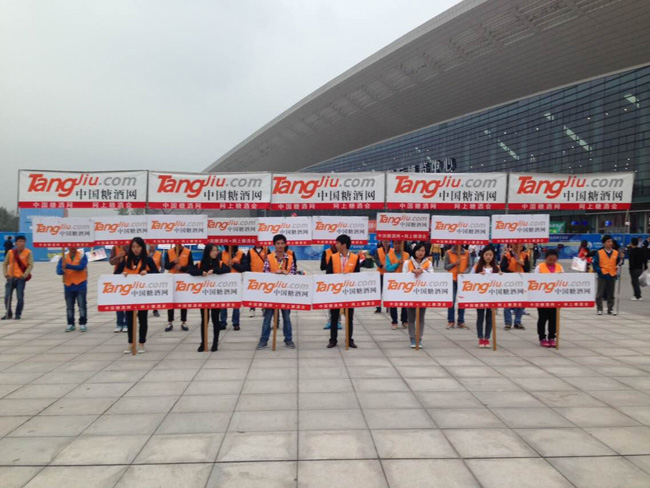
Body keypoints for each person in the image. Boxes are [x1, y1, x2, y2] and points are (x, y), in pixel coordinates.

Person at [114, 237, 159, 353]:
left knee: (143, 319)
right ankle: (131, 343)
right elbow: (116, 273)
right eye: (133, 247)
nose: (135, 249)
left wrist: (147, 272)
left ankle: (141, 343)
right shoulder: (126, 259)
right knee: (130, 319)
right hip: (129, 295)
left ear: (142, 247)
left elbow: (157, 273)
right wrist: (122, 274)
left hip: (143, 295)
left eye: (138, 247)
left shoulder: (148, 260)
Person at [256, 234, 296, 350]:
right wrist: (274, 274)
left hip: (285, 293)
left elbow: (293, 273)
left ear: (285, 244)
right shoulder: (269, 257)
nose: (280, 246)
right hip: (271, 293)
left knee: (286, 318)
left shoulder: (290, 258)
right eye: (278, 243)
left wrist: (287, 274)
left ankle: (288, 339)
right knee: (267, 318)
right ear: (274, 245)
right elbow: (265, 273)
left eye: (282, 243)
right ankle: (263, 340)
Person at [189, 244, 231, 352]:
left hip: (215, 296)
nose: (215, 252)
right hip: (203, 296)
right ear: (208, 252)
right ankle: (203, 342)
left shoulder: (220, 263)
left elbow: (227, 269)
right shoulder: (200, 264)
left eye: (216, 250)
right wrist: (200, 272)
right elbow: (190, 270)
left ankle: (215, 342)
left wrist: (215, 270)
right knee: (204, 319)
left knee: (215, 319)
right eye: (213, 250)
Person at [326, 234, 361, 349]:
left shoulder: (355, 258)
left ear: (344, 245)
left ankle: (349, 339)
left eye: (337, 243)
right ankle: (333, 339)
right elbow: (328, 274)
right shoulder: (333, 257)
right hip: (336, 292)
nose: (335, 245)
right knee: (334, 317)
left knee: (349, 317)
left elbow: (357, 275)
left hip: (349, 292)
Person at [402, 242, 432, 348]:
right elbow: (403, 276)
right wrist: (412, 271)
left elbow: (432, 276)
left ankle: (419, 338)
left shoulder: (428, 263)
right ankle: (412, 338)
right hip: (410, 294)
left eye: (423, 251)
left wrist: (423, 271)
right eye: (419, 250)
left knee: (421, 318)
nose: (420, 253)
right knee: (411, 318)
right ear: (414, 251)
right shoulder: (407, 263)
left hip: (423, 294)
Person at [471, 246, 500, 348]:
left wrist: (501, 275)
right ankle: (480, 338)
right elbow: (469, 279)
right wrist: (478, 276)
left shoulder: (497, 268)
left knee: (490, 318)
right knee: (480, 317)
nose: (488, 257)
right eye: (486, 254)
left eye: (490, 255)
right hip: (480, 297)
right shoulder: (476, 268)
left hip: (492, 297)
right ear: (483, 255)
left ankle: (487, 338)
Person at [534, 249, 564, 347]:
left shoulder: (559, 267)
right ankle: (542, 337)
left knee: (553, 318)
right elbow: (535, 281)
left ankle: (552, 337)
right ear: (546, 258)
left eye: (554, 260)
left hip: (555, 298)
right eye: (550, 259)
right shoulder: (539, 267)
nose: (551, 262)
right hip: (542, 297)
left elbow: (564, 281)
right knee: (542, 318)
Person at [56, 246, 88, 332]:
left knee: (82, 305)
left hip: (80, 284)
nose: (73, 247)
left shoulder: (82, 255)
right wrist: (62, 270)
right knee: (69, 307)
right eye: (70, 246)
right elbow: (58, 271)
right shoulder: (64, 257)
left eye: (74, 245)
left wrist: (68, 266)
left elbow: (81, 267)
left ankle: (82, 323)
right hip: (68, 285)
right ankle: (70, 323)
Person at [500, 243, 530, 329]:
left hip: (521, 282)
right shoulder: (507, 255)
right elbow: (502, 268)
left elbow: (528, 269)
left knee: (520, 303)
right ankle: (508, 322)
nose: (517, 245)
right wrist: (513, 273)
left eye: (519, 244)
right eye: (515, 244)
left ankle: (518, 321)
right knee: (507, 303)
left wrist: (523, 264)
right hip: (510, 282)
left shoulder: (524, 255)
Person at [164, 243, 194, 331]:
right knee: (171, 300)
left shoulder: (187, 252)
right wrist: (173, 262)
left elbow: (191, 266)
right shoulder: (169, 252)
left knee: (183, 300)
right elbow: (166, 266)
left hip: (183, 280)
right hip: (172, 279)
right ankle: (170, 322)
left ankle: (183, 321)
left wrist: (181, 268)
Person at [3, 235, 33, 320]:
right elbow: (5, 264)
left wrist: (24, 275)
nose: (22, 243)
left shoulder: (28, 252)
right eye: (20, 241)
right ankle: (8, 313)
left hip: (20, 279)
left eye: (23, 241)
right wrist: (6, 274)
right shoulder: (11, 252)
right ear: (16, 243)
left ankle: (18, 314)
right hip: (10, 278)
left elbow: (30, 265)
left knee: (20, 297)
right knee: (7, 297)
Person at [444, 244, 472, 329]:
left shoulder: (466, 253)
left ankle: (461, 321)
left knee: (462, 300)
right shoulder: (448, 252)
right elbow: (446, 267)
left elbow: (469, 266)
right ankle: (451, 321)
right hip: (452, 279)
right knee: (451, 300)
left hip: (462, 279)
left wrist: (465, 272)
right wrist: (454, 264)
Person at [593, 235, 622, 315]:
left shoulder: (616, 252)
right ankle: (599, 309)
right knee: (600, 293)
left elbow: (619, 262)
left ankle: (610, 309)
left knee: (611, 293)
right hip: (602, 275)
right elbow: (595, 264)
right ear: (604, 243)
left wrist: (621, 259)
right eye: (608, 242)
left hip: (612, 274)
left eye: (611, 241)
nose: (610, 243)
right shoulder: (599, 252)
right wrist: (600, 271)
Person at [219, 245, 246, 330]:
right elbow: (218, 267)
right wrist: (226, 267)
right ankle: (223, 322)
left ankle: (236, 323)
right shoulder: (221, 254)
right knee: (223, 304)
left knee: (236, 305)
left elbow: (244, 268)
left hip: (236, 283)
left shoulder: (241, 254)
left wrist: (234, 264)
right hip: (224, 283)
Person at [384, 240, 409, 329]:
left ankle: (404, 320)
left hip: (404, 281)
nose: (397, 245)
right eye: (395, 243)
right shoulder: (389, 255)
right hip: (393, 281)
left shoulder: (406, 255)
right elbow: (388, 268)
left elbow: (410, 267)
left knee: (405, 302)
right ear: (393, 245)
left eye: (399, 243)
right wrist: (397, 264)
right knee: (393, 302)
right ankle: (394, 321)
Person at [321, 244, 341, 330]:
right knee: (331, 302)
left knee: (339, 302)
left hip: (340, 280)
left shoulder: (342, 253)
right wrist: (331, 265)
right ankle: (330, 321)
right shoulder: (326, 252)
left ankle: (338, 321)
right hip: (330, 280)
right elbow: (322, 266)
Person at [109, 245, 129, 332]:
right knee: (119, 301)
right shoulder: (115, 248)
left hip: (129, 275)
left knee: (127, 301)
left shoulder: (130, 246)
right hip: (118, 276)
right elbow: (111, 262)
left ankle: (127, 323)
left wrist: (125, 254)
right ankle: (119, 323)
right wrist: (118, 257)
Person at [246, 244, 268, 317]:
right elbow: (247, 263)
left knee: (264, 293)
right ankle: (252, 309)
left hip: (264, 275)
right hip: (253, 276)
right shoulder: (250, 251)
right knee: (252, 294)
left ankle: (264, 308)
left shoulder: (266, 250)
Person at [148, 244, 163, 317]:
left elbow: (163, 266)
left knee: (154, 294)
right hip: (146, 276)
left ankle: (155, 309)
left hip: (155, 276)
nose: (151, 246)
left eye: (153, 244)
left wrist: (160, 274)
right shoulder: (145, 253)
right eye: (150, 244)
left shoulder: (159, 254)